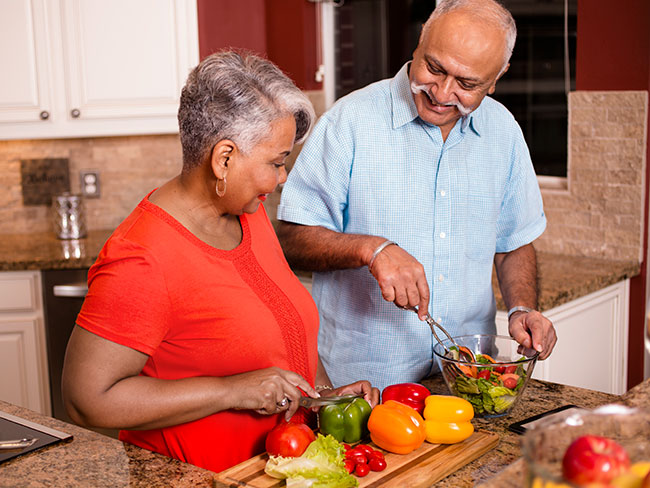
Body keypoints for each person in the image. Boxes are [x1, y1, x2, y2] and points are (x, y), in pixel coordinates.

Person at [61, 50, 379, 473]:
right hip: (194, 478)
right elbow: (86, 400)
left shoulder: (248, 213)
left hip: (269, 472)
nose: (282, 177)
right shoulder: (143, 256)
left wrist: (325, 397)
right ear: (224, 158)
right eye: (277, 161)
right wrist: (230, 391)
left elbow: (283, 334)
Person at [276, 0, 558, 391]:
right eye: (435, 68)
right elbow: (290, 239)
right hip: (361, 384)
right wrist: (371, 250)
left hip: (465, 379)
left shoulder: (504, 132)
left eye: (467, 84)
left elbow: (513, 243)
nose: (442, 93)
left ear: (496, 79)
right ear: (419, 42)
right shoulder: (349, 121)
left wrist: (522, 308)